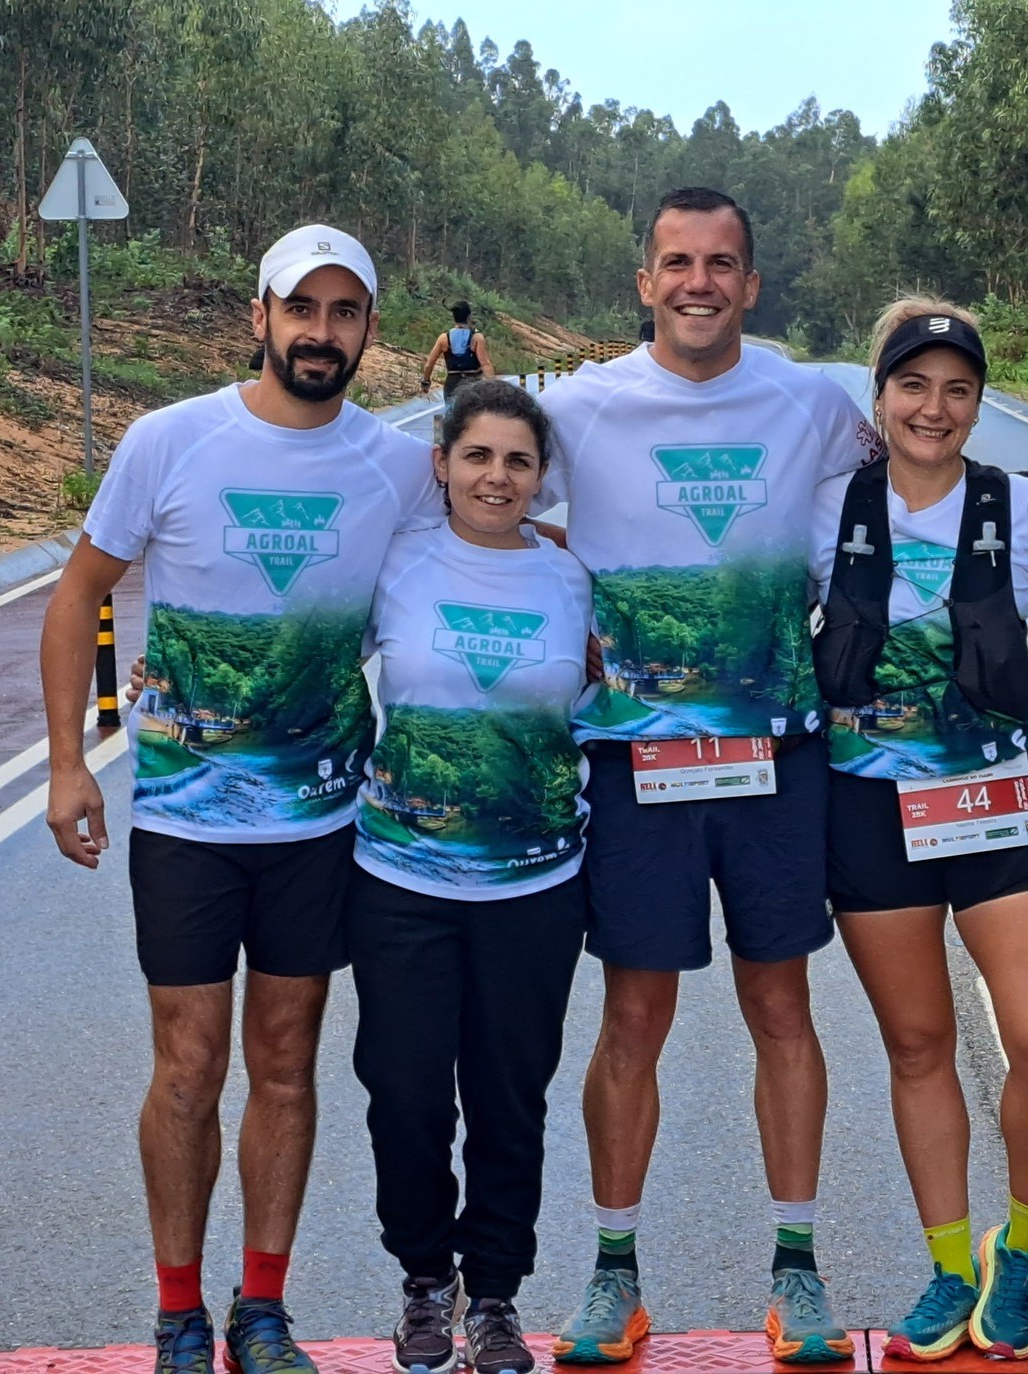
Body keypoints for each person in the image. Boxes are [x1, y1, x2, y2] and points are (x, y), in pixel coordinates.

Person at [534, 188, 1028, 1365]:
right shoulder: (576, 405)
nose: (698, 282)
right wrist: (550, 596)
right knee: (633, 1017)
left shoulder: (807, 399)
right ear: (643, 281)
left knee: (781, 1011)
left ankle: (796, 1272)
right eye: (676, 262)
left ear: (749, 283)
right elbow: (458, 490)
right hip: (637, 768)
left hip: (780, 764)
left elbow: (936, 454)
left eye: (721, 263)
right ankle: (610, 1275)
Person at [40, 224, 437, 1374]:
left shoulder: (394, 466)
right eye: (299, 309)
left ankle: (260, 1310)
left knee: (284, 1061)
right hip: (184, 818)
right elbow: (78, 598)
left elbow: (476, 555)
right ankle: (176, 1313)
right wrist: (69, 763)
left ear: (370, 330)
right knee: (185, 1064)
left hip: (322, 821)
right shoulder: (169, 443)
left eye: (344, 312)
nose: (321, 333)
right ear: (256, 317)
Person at [810, 299, 1028, 1363]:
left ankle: (1019, 1248)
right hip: (866, 811)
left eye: (957, 389)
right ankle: (946, 1267)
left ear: (980, 404)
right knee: (919, 1044)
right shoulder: (822, 509)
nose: (933, 408)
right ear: (879, 396)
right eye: (912, 385)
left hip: (995, 807)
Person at [349, 379, 593, 1374]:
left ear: (542, 478)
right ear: (442, 464)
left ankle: (493, 1295)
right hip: (399, 881)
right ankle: (422, 1279)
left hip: (535, 886)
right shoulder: (394, 563)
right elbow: (311, 655)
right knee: (403, 1095)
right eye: (478, 457)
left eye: (518, 461)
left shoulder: (574, 578)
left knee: (509, 1099)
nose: (497, 478)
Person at [422, 301, 495, 403]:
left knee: (452, 415)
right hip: (473, 384)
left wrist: (425, 382)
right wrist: (494, 387)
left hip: (452, 385)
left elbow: (429, 364)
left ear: (454, 317)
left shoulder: (443, 338)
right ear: (469, 316)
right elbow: (485, 364)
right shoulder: (477, 338)